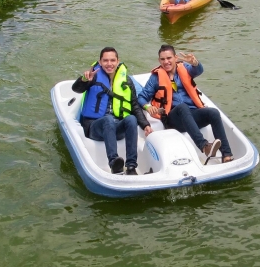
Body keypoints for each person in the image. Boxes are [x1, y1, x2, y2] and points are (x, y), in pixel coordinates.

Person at [138, 45, 234, 164]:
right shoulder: (155, 78)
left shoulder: (185, 68)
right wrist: (148, 107)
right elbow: (142, 97)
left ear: (175, 58)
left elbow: (198, 70)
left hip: (192, 114)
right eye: (162, 59)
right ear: (159, 61)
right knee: (182, 107)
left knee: (213, 113)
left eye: (169, 58)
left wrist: (195, 63)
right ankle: (204, 146)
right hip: (173, 119)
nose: (166, 62)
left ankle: (227, 155)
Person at [72, 47, 152, 175]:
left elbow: (134, 105)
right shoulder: (93, 77)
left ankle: (131, 166)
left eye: (112, 60)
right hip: (95, 127)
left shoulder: (126, 81)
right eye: (105, 61)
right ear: (100, 61)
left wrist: (145, 124)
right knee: (107, 120)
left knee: (131, 119)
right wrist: (84, 79)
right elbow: (76, 89)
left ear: (117, 61)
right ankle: (114, 163)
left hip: (116, 127)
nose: (109, 64)